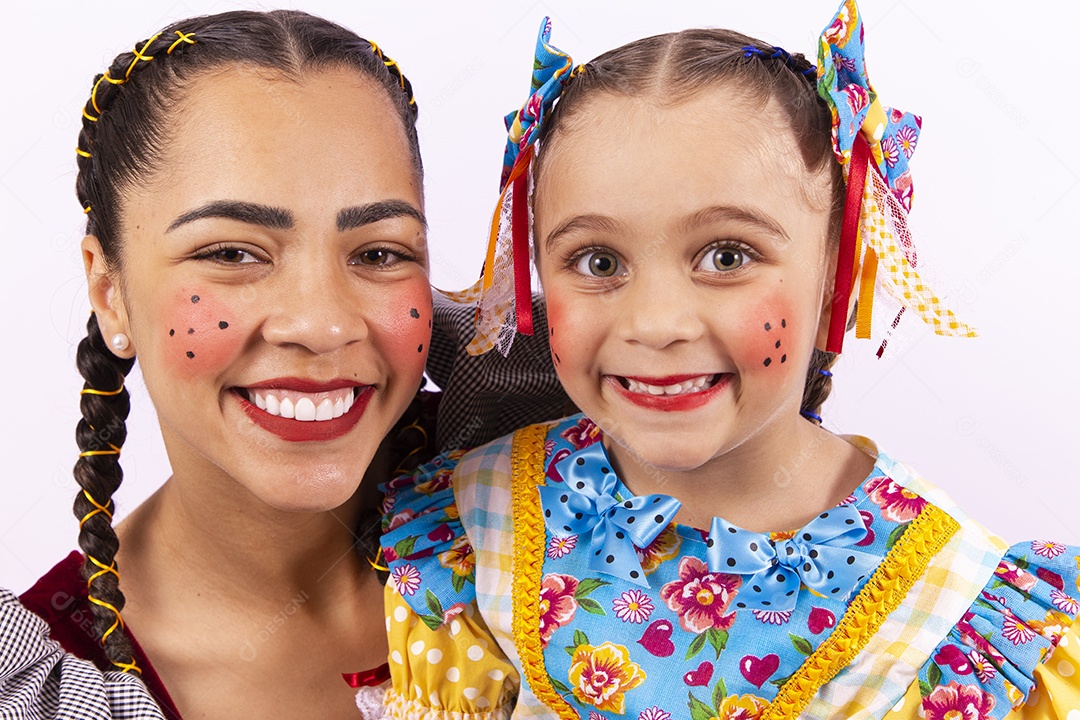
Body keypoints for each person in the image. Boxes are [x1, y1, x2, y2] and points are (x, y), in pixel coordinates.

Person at [379, 2, 1080, 718]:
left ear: (839, 268)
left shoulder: (955, 616)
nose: (655, 323)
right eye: (597, 260)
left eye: (726, 256)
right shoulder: (475, 521)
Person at [2, 9, 569, 719]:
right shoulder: (48, 689)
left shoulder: (586, 495)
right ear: (109, 292)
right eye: (232, 253)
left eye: (378, 253)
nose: (323, 324)